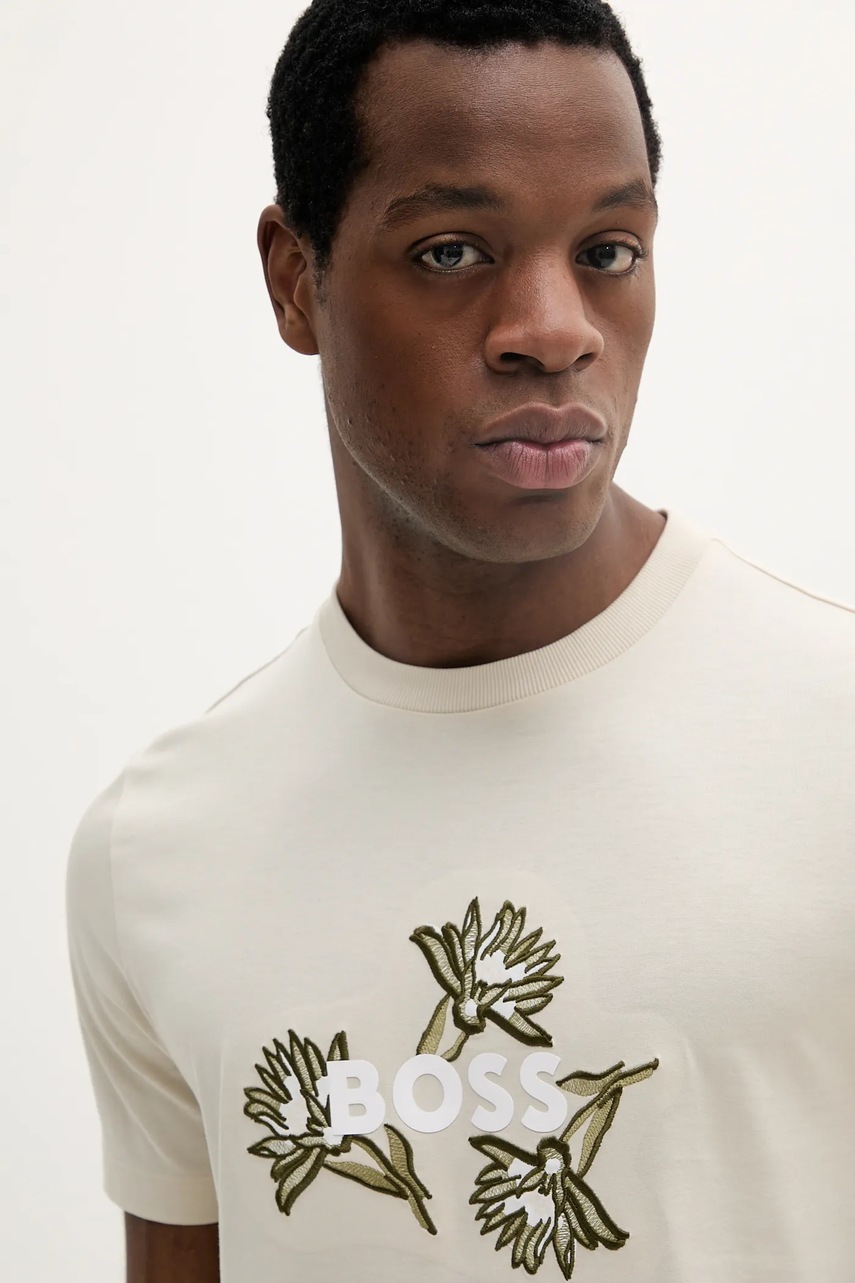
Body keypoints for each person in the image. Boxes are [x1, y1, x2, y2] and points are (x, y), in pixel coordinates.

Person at [66, 1, 855, 1280]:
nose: (553, 327)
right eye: (450, 251)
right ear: (296, 278)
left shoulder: (834, 742)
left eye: (607, 249)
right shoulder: (153, 853)